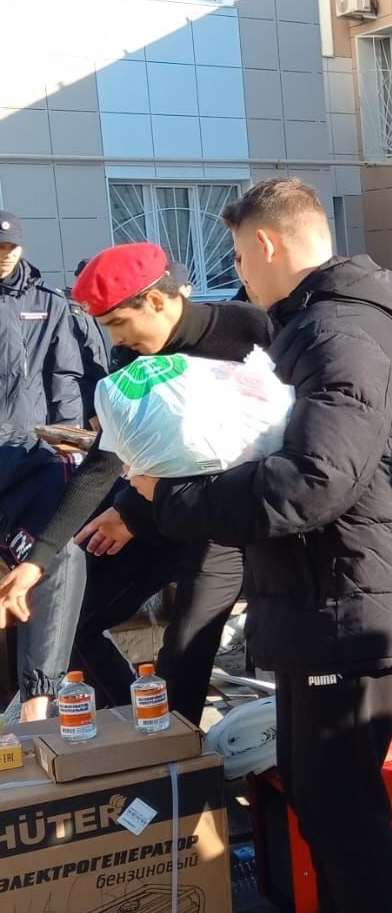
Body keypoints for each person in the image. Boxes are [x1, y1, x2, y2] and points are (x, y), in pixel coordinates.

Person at [129, 178, 392, 913]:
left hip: (355, 604)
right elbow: (240, 357)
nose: (237, 273)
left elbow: (312, 481)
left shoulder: (340, 330)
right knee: (316, 788)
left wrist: (176, 501)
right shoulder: (315, 321)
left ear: (267, 246)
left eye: (237, 256)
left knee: (340, 800)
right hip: (325, 598)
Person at [0, 243, 269, 725]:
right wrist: (38, 561)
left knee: (185, 648)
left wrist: (131, 510)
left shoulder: (248, 330)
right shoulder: (131, 362)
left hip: (226, 523)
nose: (116, 339)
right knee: (78, 620)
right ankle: (140, 727)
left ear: (157, 300)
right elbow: (103, 461)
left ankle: (177, 754)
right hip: (153, 517)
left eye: (119, 323)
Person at [0, 210, 103, 720]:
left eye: (10, 248)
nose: (3, 257)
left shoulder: (48, 303)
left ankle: (36, 705)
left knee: (60, 559)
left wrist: (69, 445)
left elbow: (65, 379)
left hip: (33, 467)